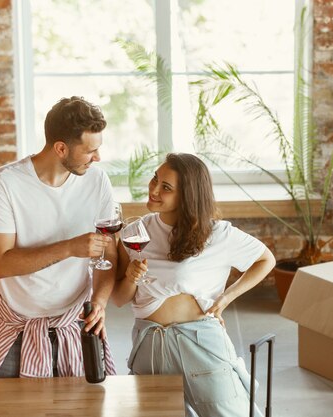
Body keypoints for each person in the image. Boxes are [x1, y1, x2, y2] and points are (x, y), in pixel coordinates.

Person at [113, 153, 276, 417]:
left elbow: (265, 259)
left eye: (166, 187)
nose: (154, 189)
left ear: (186, 196)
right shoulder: (135, 233)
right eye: (155, 179)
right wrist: (131, 276)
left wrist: (225, 299)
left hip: (200, 343)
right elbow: (119, 299)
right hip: (150, 344)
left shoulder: (218, 234)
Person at [0, 96, 117, 379]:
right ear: (61, 148)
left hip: (77, 321)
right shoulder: (5, 183)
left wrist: (100, 302)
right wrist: (69, 248)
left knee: (86, 408)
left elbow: (109, 254)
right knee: (3, 409)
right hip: (18, 325)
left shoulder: (97, 180)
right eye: (90, 150)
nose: (98, 158)